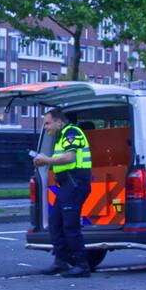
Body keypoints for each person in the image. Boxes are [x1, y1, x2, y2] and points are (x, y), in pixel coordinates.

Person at [32, 108, 92, 278]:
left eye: (47, 123)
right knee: (55, 221)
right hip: (68, 184)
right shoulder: (61, 136)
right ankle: (61, 261)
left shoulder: (72, 132)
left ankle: (82, 265)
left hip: (75, 184)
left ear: (59, 121)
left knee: (70, 225)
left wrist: (46, 160)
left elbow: (70, 157)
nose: (45, 127)